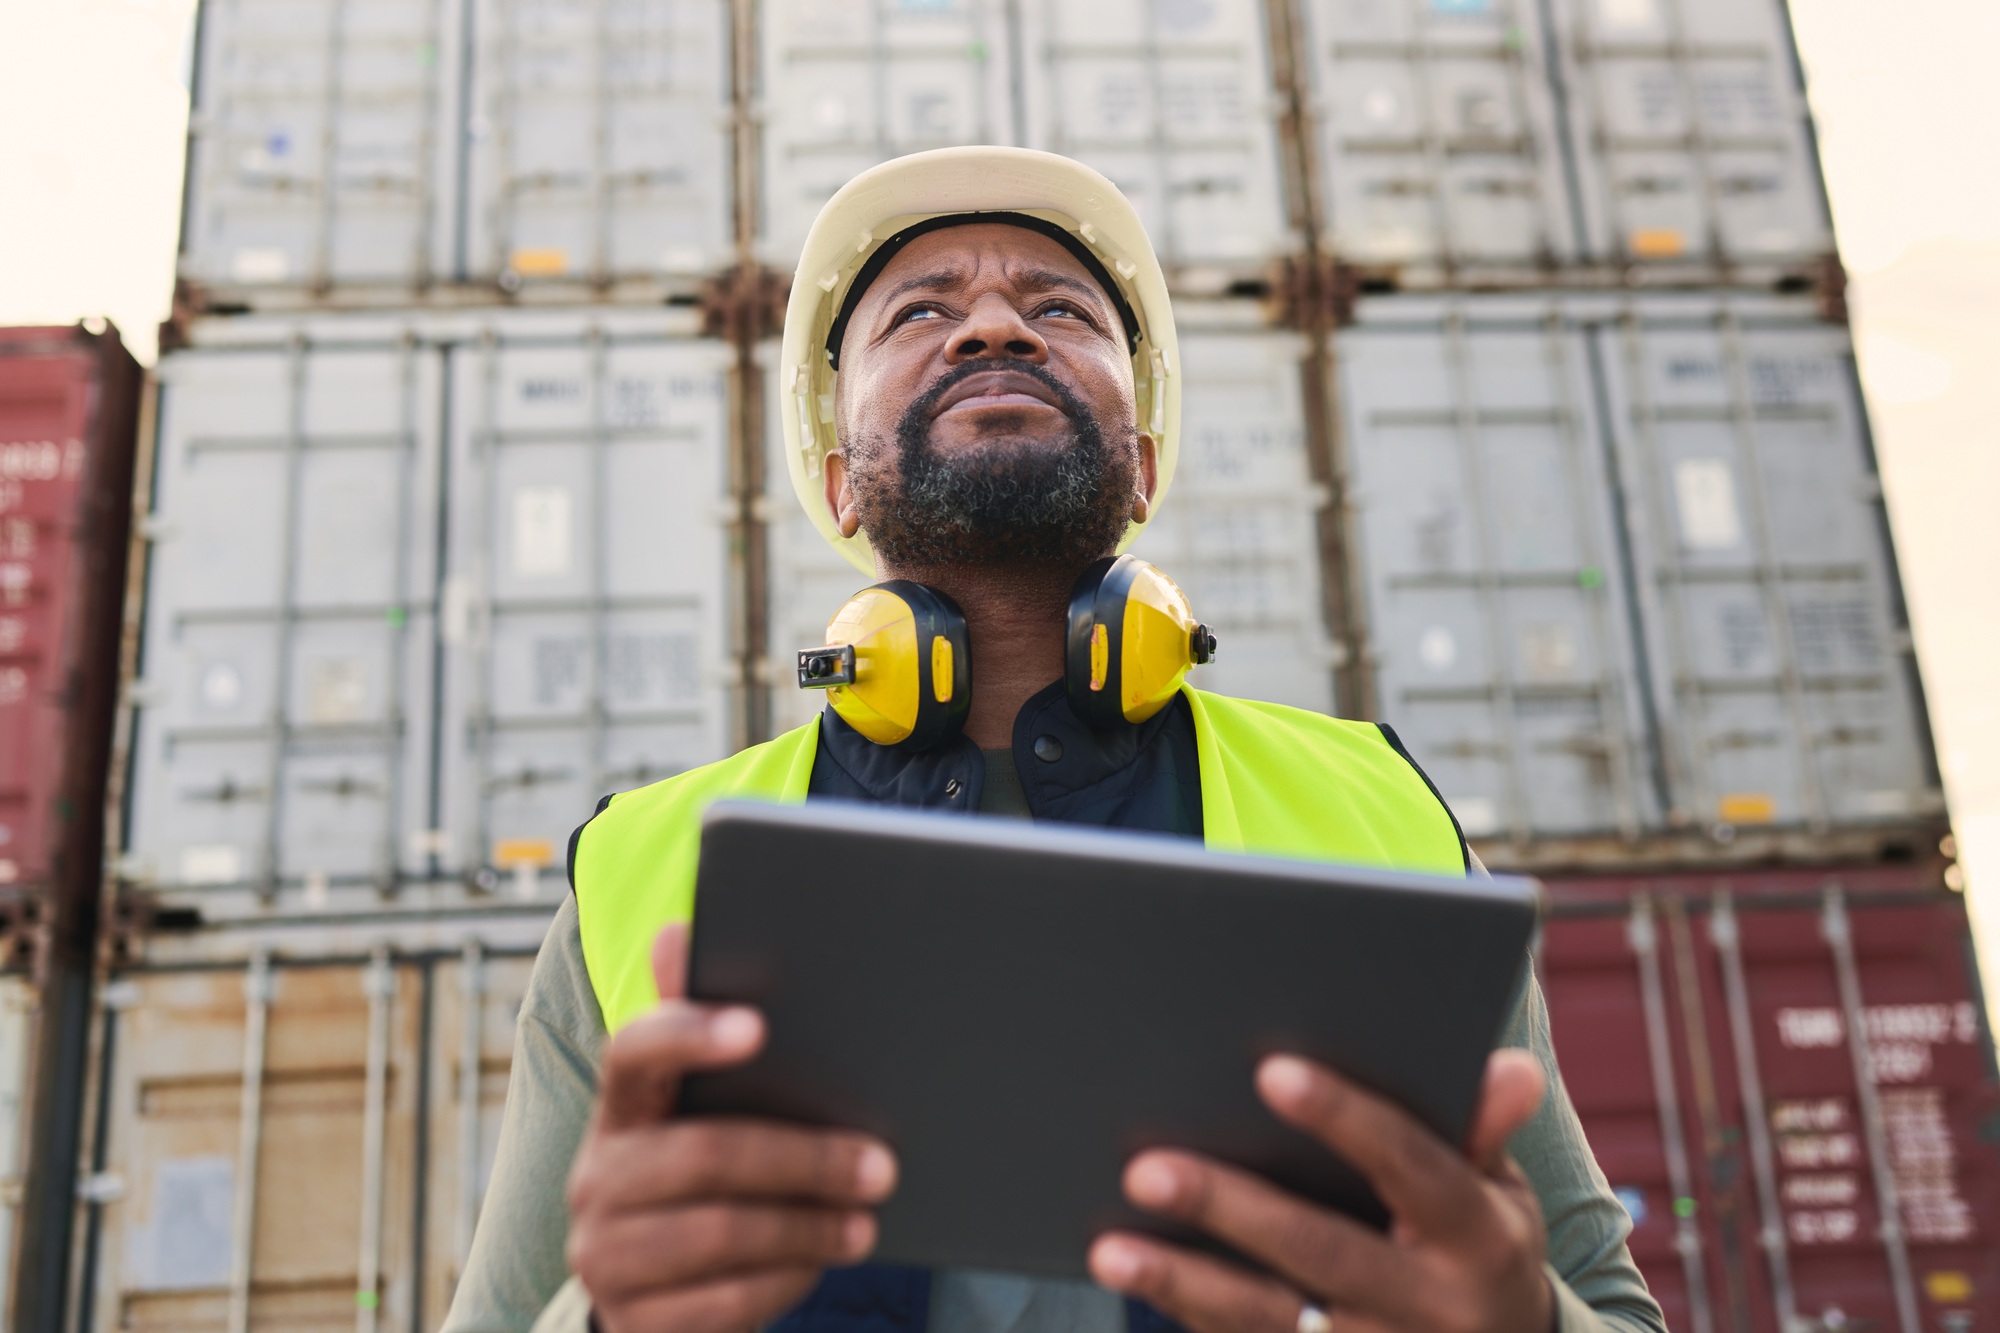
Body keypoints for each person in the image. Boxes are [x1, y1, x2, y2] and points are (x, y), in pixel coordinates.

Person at [441, 148, 1667, 1333]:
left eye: (1060, 310)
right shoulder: (639, 872)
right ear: (840, 484)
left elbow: (1605, 1308)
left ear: (1141, 469)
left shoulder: (1378, 813)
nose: (994, 329)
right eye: (921, 311)